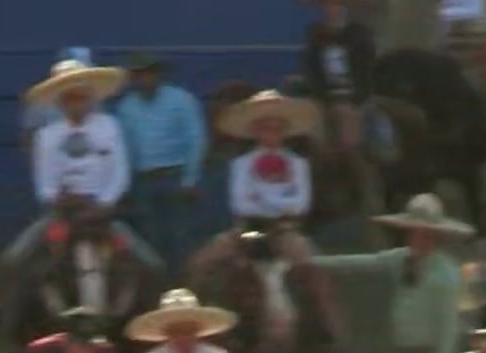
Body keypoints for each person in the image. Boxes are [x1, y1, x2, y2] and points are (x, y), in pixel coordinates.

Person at [308, 193, 471, 353]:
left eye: (425, 234)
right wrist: (311, 262)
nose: (418, 239)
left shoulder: (447, 274)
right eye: (414, 233)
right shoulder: (400, 260)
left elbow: (448, 330)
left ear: (436, 236)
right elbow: (362, 263)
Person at [6, 59, 158, 270]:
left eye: (80, 98)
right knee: (16, 258)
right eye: (69, 99)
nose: (75, 104)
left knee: (149, 263)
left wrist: (105, 202)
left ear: (90, 98)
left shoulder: (109, 126)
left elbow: (119, 170)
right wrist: (57, 198)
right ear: (60, 103)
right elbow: (44, 181)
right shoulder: (47, 136)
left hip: (102, 211)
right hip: (63, 212)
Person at [114, 53, 207, 277]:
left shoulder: (182, 100)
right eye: (139, 74)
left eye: (149, 73)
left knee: (180, 237)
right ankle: (156, 293)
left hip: (175, 177)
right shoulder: (126, 107)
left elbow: (196, 140)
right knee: (148, 240)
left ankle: (185, 290)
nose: (145, 78)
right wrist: (125, 186)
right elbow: (123, 148)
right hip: (142, 181)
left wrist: (190, 179)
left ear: (159, 74)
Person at [216, 91, 324, 263]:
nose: (272, 133)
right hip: (249, 228)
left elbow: (301, 205)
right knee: (209, 259)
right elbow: (241, 205)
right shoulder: (241, 164)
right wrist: (281, 202)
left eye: (277, 128)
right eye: (266, 128)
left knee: (307, 261)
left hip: (286, 228)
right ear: (255, 131)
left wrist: (261, 197)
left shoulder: (298, 164)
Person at [303, 0, 382, 205]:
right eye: (327, 6)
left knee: (349, 133)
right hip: (326, 97)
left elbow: (367, 71)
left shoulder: (360, 35)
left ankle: (367, 195)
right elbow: (311, 70)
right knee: (312, 126)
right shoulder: (316, 35)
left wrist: (355, 99)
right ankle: (317, 178)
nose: (331, 9)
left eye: (336, 5)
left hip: (354, 96)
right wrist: (323, 96)